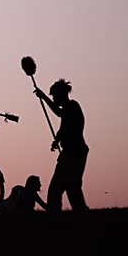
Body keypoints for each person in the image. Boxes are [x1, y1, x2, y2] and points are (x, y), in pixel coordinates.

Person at [34, 78, 89, 211]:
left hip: (75, 154)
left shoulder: (72, 107)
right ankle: (57, 212)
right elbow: (64, 127)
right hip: (68, 154)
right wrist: (57, 140)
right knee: (57, 188)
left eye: (54, 97)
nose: (53, 99)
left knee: (71, 187)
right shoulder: (69, 109)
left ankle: (80, 211)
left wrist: (44, 97)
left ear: (61, 95)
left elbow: (60, 114)